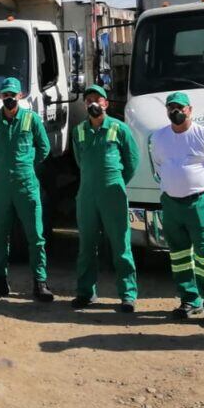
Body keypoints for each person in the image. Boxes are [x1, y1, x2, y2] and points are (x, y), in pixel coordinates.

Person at [149, 92, 204, 327]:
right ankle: (189, 300)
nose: (176, 111)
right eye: (171, 107)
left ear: (190, 110)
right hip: (171, 204)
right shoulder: (159, 137)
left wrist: (201, 191)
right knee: (179, 255)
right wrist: (172, 186)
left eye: (180, 107)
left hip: (198, 203)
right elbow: (158, 166)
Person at [0, 77, 54, 302]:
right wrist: (6, 166)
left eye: (13, 94)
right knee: (0, 235)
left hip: (26, 185)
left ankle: (40, 283)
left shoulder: (31, 119)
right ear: (0, 97)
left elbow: (44, 148)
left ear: (20, 95)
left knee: (35, 235)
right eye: (5, 95)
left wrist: (26, 164)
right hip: (2, 186)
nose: (9, 98)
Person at [72, 85, 140, 313]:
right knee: (86, 245)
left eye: (97, 99)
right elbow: (79, 160)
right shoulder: (79, 130)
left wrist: (116, 182)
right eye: (88, 99)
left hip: (113, 193)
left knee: (120, 245)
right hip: (87, 194)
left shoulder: (119, 128)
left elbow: (132, 161)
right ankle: (85, 293)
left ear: (106, 104)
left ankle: (128, 295)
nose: (92, 103)